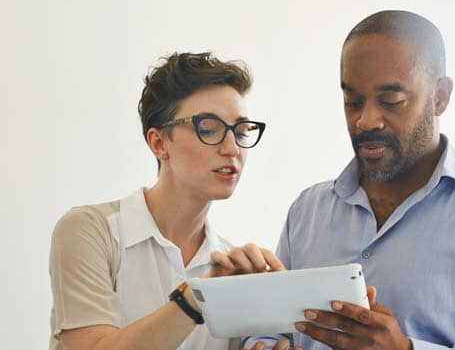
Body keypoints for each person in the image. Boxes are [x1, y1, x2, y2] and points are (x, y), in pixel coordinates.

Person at [248, 10, 455, 350]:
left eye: (391, 101)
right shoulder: (306, 212)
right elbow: (273, 329)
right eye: (352, 102)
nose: (366, 121)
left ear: (440, 97)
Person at [49, 52, 285, 350]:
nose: (232, 148)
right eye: (209, 129)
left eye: (240, 131)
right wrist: (198, 297)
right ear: (159, 143)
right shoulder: (90, 231)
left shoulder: (231, 268)